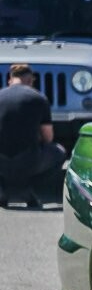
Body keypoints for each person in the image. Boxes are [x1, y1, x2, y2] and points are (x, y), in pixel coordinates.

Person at [0, 63, 66, 209]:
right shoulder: (38, 98)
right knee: (59, 152)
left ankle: (3, 190)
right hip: (28, 160)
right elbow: (48, 137)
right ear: (30, 80)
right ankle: (27, 190)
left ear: (10, 80)